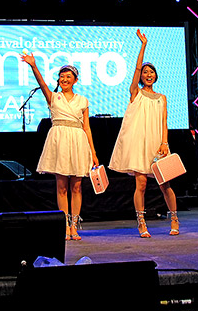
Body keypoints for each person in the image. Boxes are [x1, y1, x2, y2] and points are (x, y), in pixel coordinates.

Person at [20, 52, 99, 241]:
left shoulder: (82, 100)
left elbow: (86, 127)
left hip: (78, 140)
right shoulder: (54, 98)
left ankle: (74, 225)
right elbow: (42, 84)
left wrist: (93, 152)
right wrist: (33, 65)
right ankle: (64, 225)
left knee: (77, 185)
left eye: (68, 77)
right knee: (62, 186)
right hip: (60, 140)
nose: (64, 79)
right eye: (62, 77)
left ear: (75, 80)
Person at [109, 29, 179, 238]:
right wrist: (143, 45)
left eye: (151, 72)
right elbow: (137, 66)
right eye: (145, 72)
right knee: (141, 183)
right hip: (140, 144)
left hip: (157, 144)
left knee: (165, 183)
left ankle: (174, 218)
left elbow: (164, 122)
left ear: (156, 76)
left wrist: (165, 142)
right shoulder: (135, 93)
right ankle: (141, 222)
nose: (148, 74)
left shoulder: (162, 97)